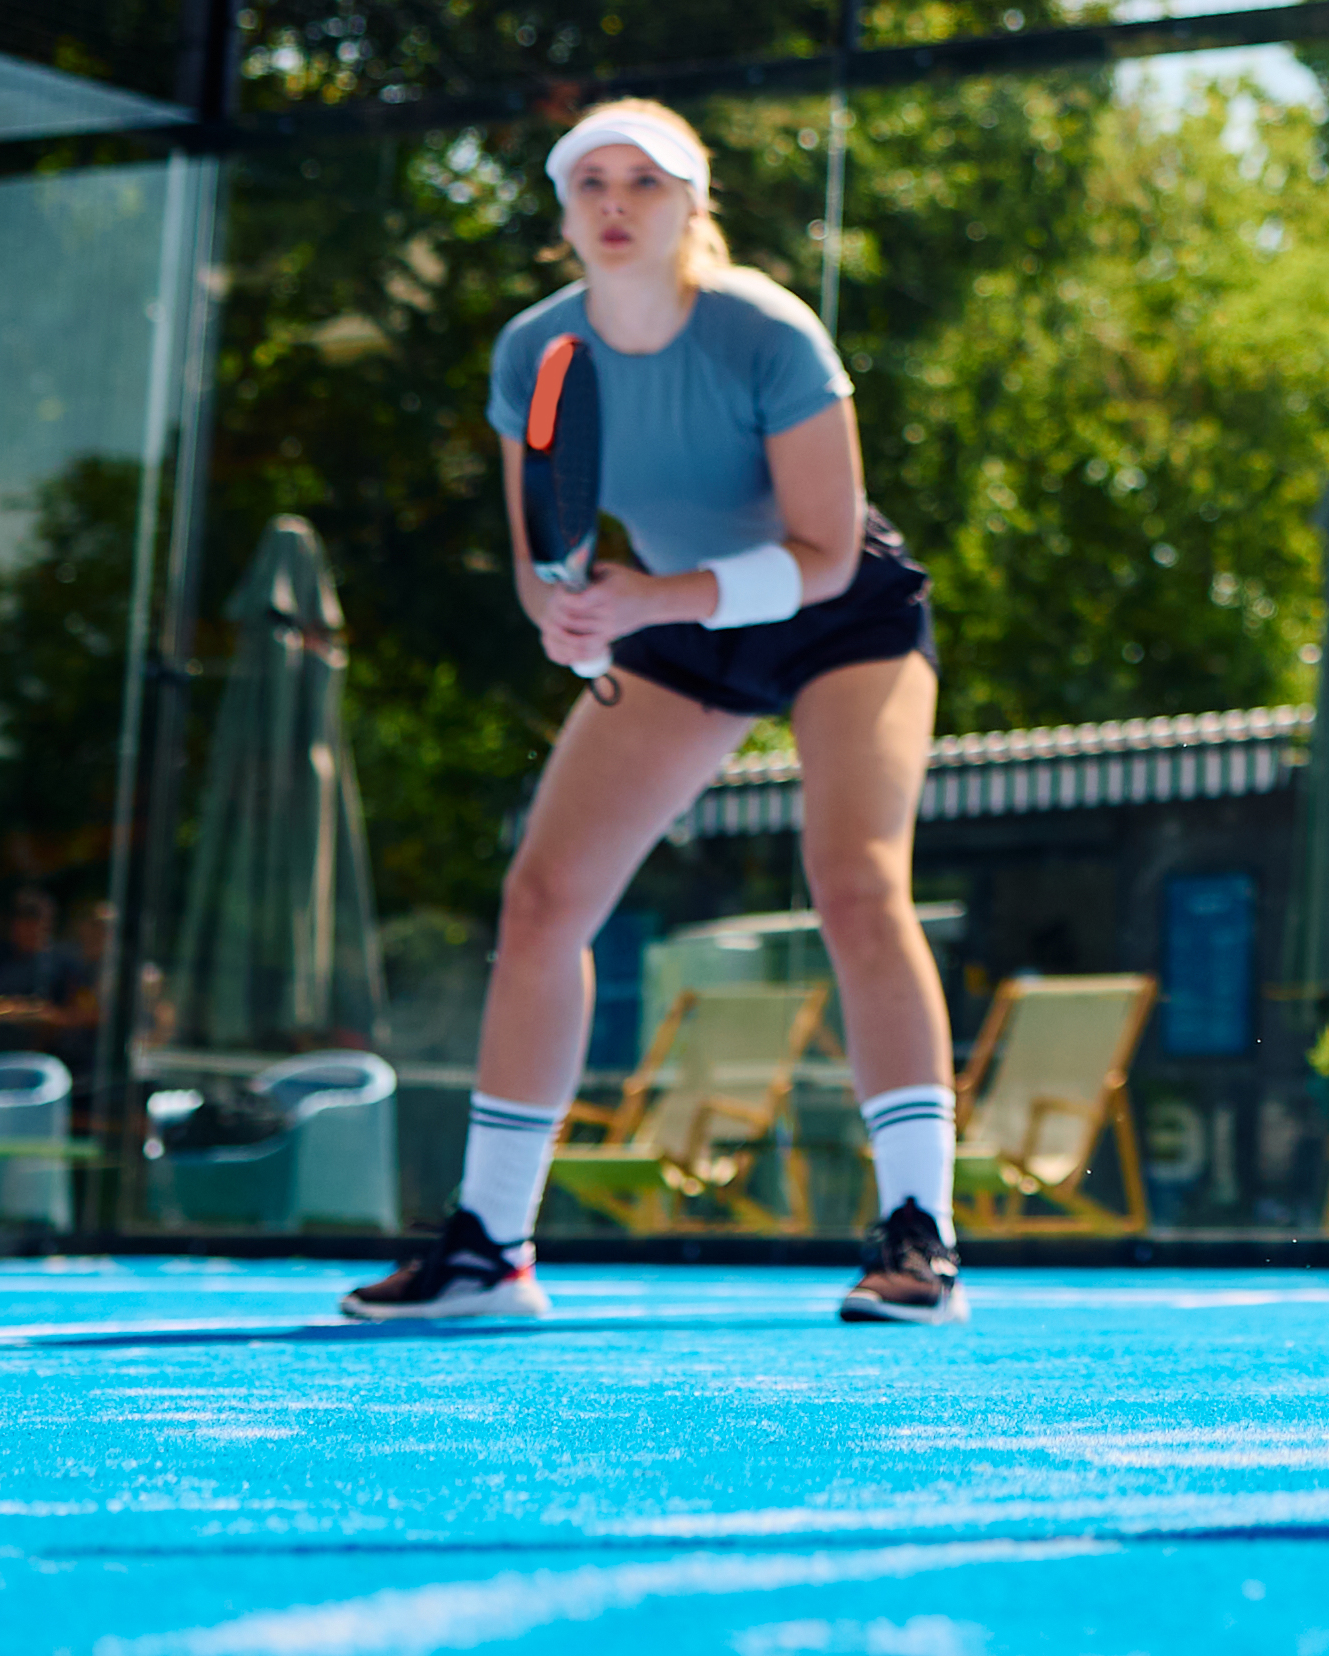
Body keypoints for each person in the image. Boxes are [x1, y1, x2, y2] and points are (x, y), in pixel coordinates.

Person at [344, 101, 964, 1328]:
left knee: (854, 881)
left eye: (646, 182)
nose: (616, 203)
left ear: (695, 204)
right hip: (668, 617)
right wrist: (565, 616)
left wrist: (643, 600)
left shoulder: (766, 331)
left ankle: (920, 1236)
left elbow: (829, 553)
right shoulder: (534, 352)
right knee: (543, 900)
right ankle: (491, 1250)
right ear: (566, 213)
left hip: (841, 613)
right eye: (591, 184)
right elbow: (541, 559)